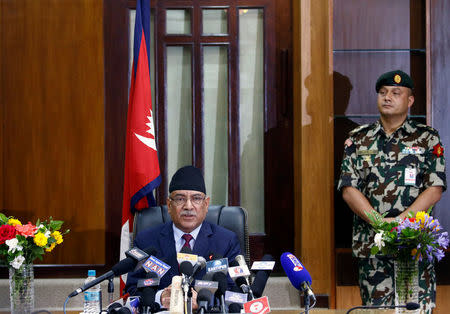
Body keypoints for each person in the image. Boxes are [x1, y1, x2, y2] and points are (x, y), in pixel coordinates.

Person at [338, 70, 446, 313]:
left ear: (409, 101)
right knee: (376, 311)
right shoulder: (358, 139)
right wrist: (378, 222)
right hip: (372, 248)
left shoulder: (427, 139)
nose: (387, 97)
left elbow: (435, 187)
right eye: (383, 92)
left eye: (396, 93)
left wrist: (399, 222)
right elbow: (348, 188)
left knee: (413, 310)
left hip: (413, 245)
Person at [125, 165, 241, 309]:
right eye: (180, 199)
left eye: (196, 199)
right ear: (169, 205)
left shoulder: (226, 241)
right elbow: (131, 291)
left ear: (206, 204)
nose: (188, 206)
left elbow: (238, 293)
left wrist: (206, 300)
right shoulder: (146, 240)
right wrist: (158, 297)